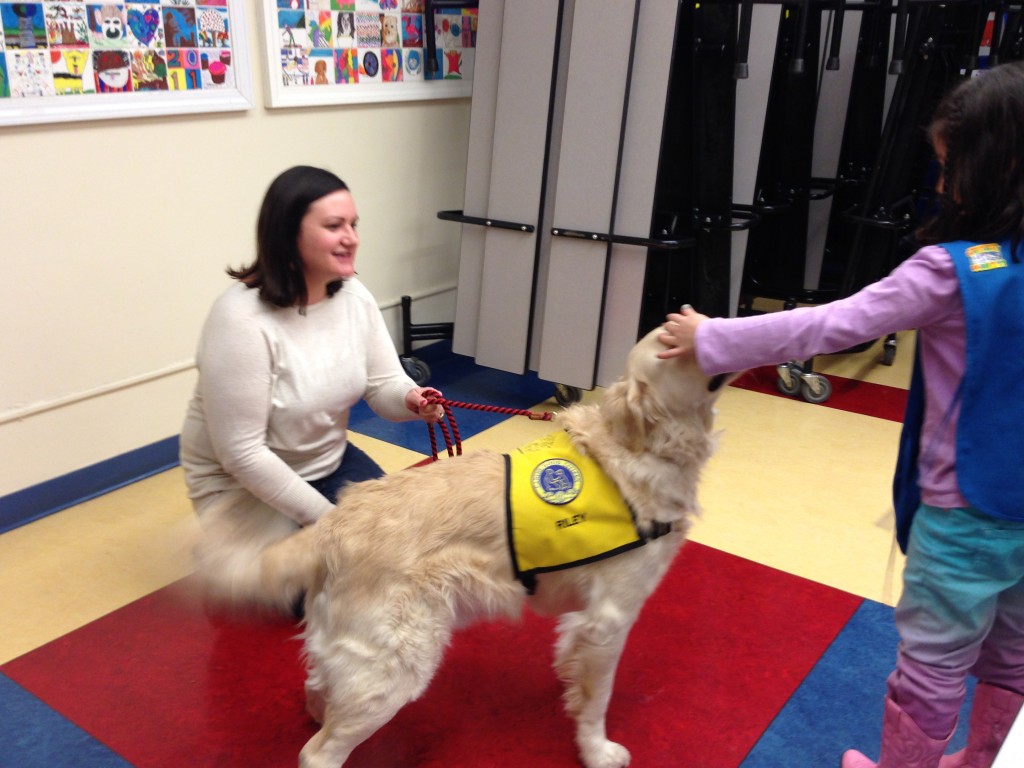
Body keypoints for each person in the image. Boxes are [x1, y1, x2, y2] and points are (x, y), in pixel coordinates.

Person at [657, 61, 1024, 768]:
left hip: (963, 518)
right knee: (1013, 658)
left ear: (995, 167)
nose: (942, 187)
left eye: (951, 169)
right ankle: (981, 762)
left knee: (932, 669)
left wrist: (713, 339)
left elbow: (831, 326)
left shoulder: (948, 271)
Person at [180, 166, 443, 566]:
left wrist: (410, 398)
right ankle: (227, 547)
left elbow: (383, 383)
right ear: (288, 234)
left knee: (404, 549)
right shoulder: (240, 319)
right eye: (334, 225)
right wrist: (332, 525)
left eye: (354, 225)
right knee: (342, 584)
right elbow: (243, 455)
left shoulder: (353, 295)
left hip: (325, 461)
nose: (351, 238)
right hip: (240, 489)